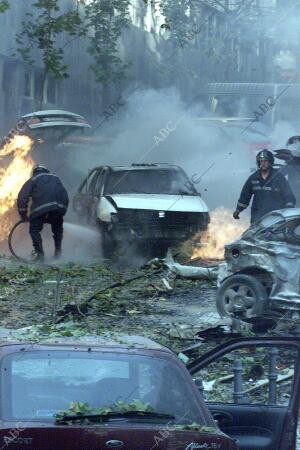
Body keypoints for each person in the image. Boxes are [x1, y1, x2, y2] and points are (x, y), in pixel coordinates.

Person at [17, 165, 69, 262]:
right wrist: (62, 211)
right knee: (57, 230)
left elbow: (22, 197)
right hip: (58, 208)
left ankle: (40, 255)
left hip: (40, 209)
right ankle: (58, 253)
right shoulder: (56, 178)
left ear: (35, 172)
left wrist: (23, 215)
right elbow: (65, 195)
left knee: (34, 230)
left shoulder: (33, 179)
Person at [233, 149, 296, 224]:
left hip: (276, 216)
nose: (263, 163)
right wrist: (238, 210)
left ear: (270, 162)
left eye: (265, 161)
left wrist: (289, 207)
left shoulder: (279, 177)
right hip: (257, 216)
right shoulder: (253, 178)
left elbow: (288, 194)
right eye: (261, 161)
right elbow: (245, 195)